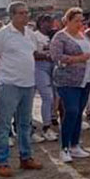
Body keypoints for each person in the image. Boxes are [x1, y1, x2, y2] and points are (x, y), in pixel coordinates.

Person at [0, 2, 43, 177]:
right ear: (12, 15)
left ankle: (26, 157)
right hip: (9, 84)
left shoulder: (31, 35)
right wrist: (2, 76)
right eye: (21, 13)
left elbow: (31, 55)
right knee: (3, 124)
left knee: (25, 124)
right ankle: (2, 161)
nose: (25, 16)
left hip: (28, 84)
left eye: (27, 13)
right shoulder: (2, 34)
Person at [50, 7, 90, 162]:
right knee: (71, 111)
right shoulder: (60, 37)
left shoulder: (84, 36)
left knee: (78, 113)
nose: (79, 24)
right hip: (67, 81)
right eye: (76, 21)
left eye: (81, 21)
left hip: (86, 79)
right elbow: (56, 56)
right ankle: (64, 148)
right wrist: (78, 59)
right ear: (67, 21)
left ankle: (75, 145)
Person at [32, 14, 58, 143]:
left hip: (52, 66)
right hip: (39, 67)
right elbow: (33, 53)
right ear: (40, 23)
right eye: (45, 22)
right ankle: (46, 127)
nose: (48, 24)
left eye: (50, 21)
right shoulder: (35, 36)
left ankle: (49, 121)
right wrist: (47, 55)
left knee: (53, 96)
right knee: (47, 96)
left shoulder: (52, 35)